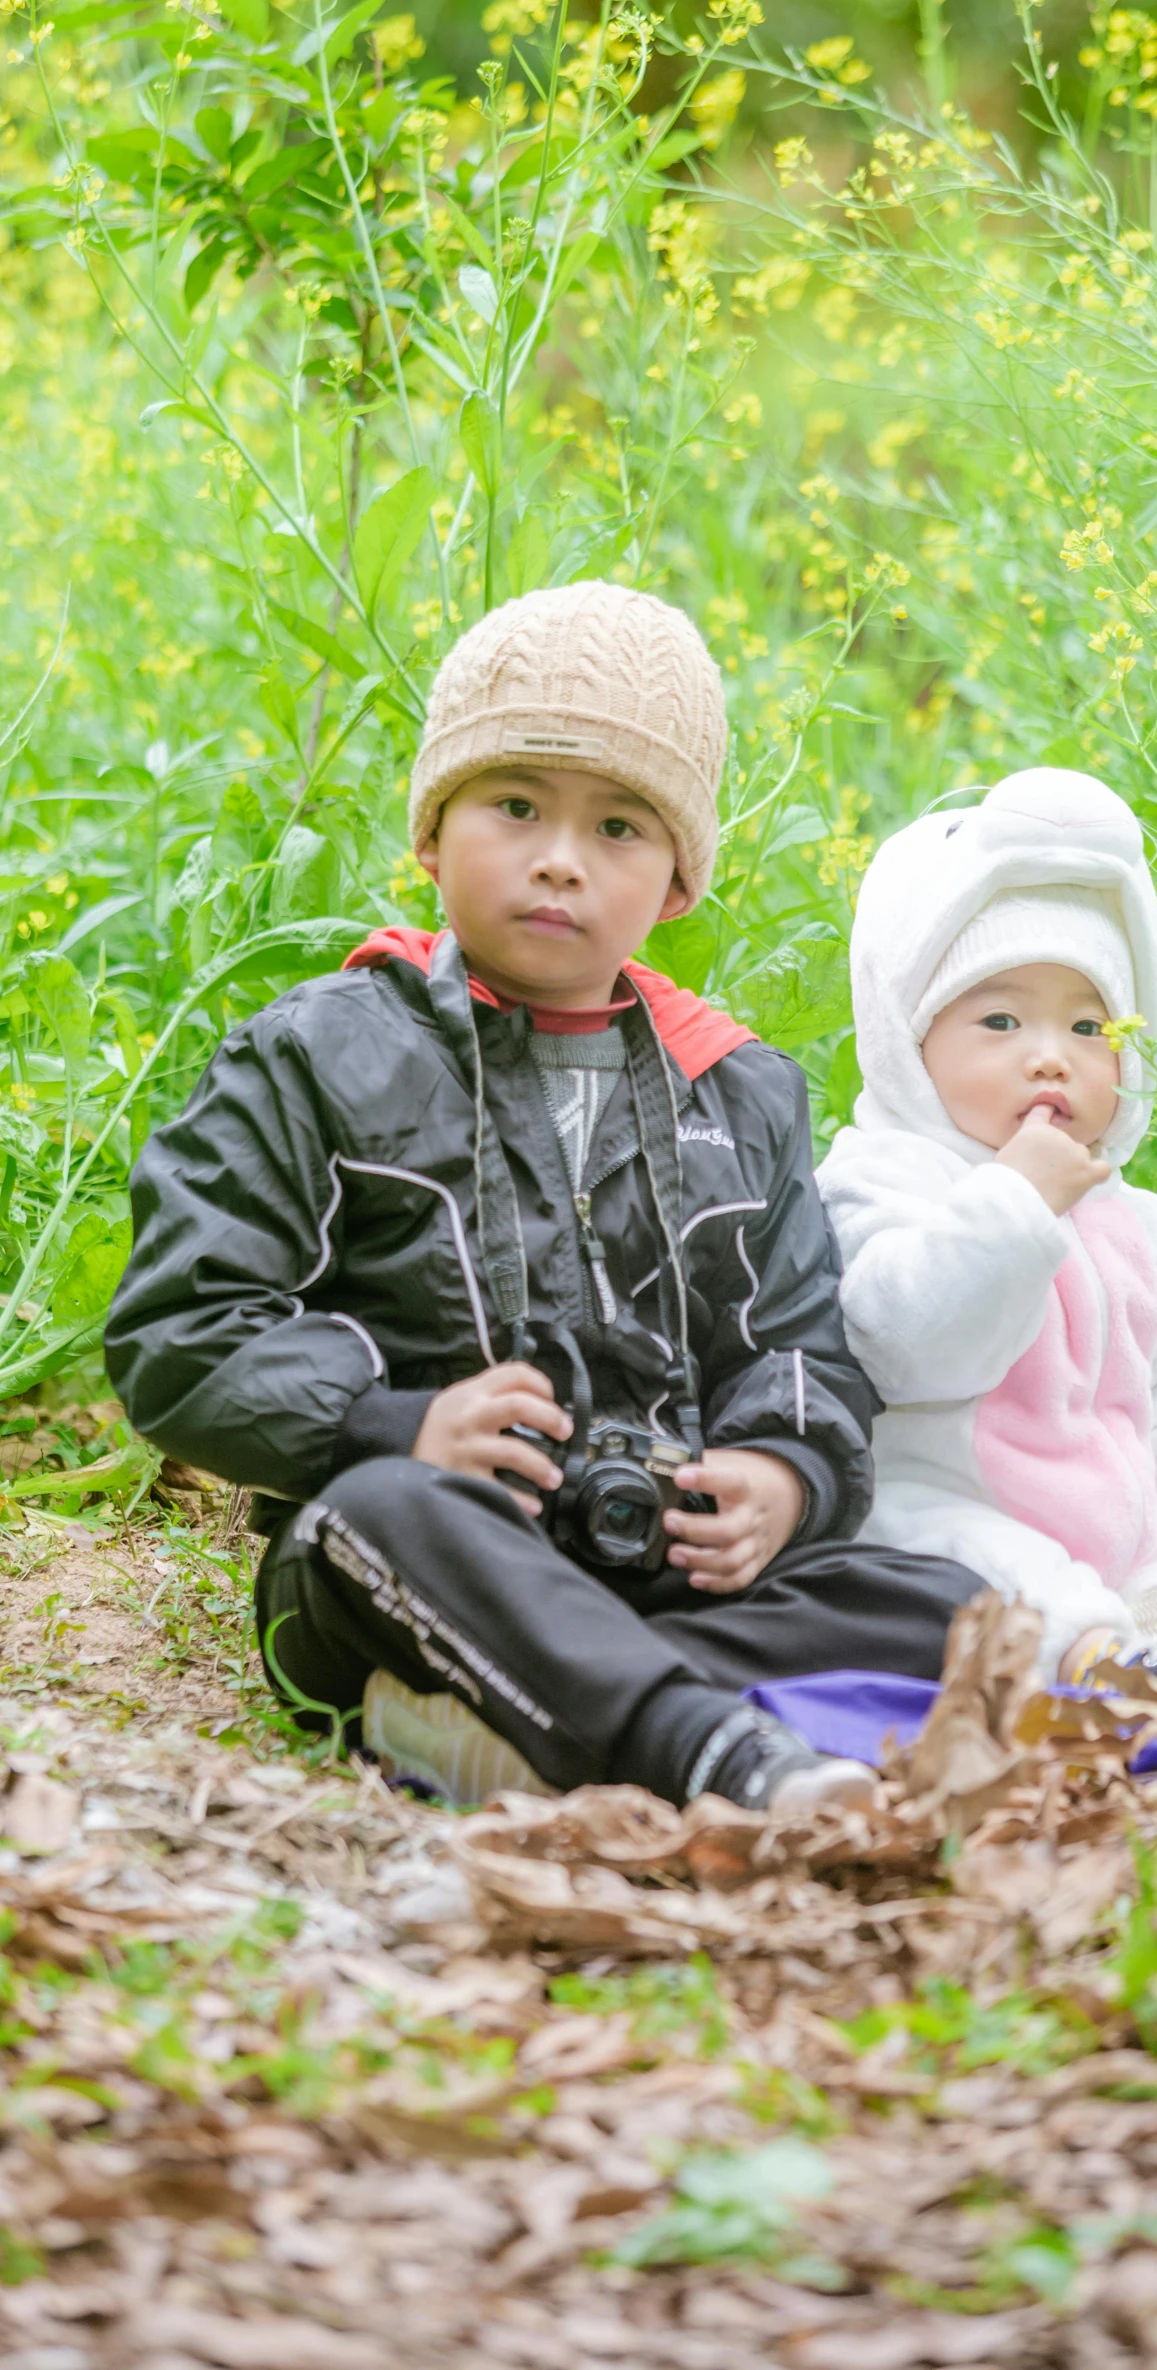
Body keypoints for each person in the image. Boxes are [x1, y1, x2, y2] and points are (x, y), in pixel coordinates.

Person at [105, 582, 983, 1812]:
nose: (561, 860)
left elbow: (799, 1351)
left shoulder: (740, 1094)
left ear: (677, 881)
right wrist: (393, 1425)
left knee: (943, 1601)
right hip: (418, 1559)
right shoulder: (312, 1055)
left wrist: (784, 1476)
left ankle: (520, 1721)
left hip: (662, 1573)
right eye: (515, 806)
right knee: (382, 1518)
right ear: (432, 830)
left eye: (621, 828)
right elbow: (180, 1334)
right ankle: (708, 1748)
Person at [816, 767, 1157, 1728]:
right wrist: (1016, 1203)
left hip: (1099, 1527)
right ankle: (1114, 1668)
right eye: (999, 1020)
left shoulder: (1138, 1221)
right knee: (990, 1564)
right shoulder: (886, 1177)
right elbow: (902, 1347)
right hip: (936, 1511)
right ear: (910, 1042)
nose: (1050, 1054)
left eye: (1089, 1026)